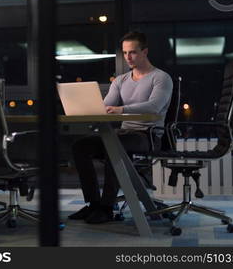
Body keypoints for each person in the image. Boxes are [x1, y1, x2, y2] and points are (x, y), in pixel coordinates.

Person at [69, 31, 173, 224]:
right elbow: (105, 107)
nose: (128, 57)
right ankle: (93, 204)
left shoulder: (161, 78)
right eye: (125, 53)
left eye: (132, 52)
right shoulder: (121, 80)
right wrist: (88, 107)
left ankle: (107, 207)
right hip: (123, 133)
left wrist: (120, 109)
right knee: (80, 146)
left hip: (147, 135)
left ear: (145, 51)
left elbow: (154, 107)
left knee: (114, 145)